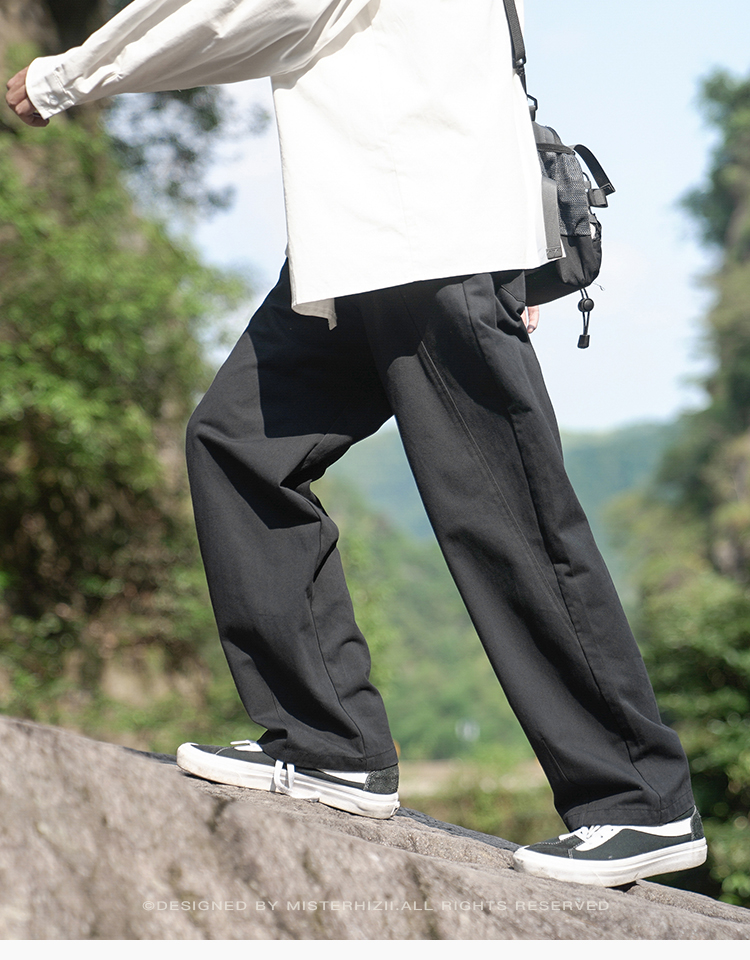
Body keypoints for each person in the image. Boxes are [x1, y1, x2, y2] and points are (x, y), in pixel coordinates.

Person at [7, 0, 707, 887]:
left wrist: (69, 74)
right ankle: (328, 744)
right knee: (238, 444)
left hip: (430, 236)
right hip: (359, 244)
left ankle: (639, 798)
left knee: (505, 517)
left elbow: (249, 9)